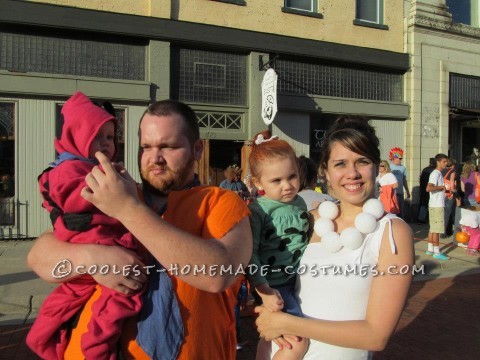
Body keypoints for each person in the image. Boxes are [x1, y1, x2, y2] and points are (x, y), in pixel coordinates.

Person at [27, 99, 253, 359]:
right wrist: (90, 259)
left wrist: (127, 211)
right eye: (146, 147)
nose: (155, 158)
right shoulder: (114, 192)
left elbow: (219, 272)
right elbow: (39, 255)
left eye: (168, 147)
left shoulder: (220, 201)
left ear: (197, 149)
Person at [255, 116, 413, 359]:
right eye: (340, 164)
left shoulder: (392, 232)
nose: (352, 173)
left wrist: (286, 324)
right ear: (325, 171)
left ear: (375, 167)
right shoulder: (308, 220)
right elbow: (266, 264)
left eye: (362, 161)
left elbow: (376, 335)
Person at [26, 92, 145, 359]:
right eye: (97, 136)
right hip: (97, 245)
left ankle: (45, 339)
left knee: (65, 301)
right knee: (121, 299)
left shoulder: (91, 169)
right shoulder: (69, 170)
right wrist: (116, 188)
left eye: (111, 137)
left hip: (96, 248)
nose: (106, 143)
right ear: (77, 134)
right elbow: (73, 200)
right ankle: (96, 351)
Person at [247, 131, 310, 359]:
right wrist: (263, 291)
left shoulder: (300, 202)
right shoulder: (258, 210)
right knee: (296, 343)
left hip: (297, 280)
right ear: (257, 182)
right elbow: (250, 254)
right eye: (276, 180)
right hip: (273, 286)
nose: (287, 186)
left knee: (270, 341)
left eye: (292, 176)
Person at [425, 153, 450, 261]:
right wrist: (441, 187)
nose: (446, 163)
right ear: (438, 162)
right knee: (436, 229)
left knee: (432, 228)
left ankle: (430, 249)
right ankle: (436, 251)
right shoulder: (436, 173)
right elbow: (428, 188)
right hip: (437, 205)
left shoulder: (437, 173)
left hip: (434, 204)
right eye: (444, 161)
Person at [389, 147, 411, 220]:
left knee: (401, 211)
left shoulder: (403, 168)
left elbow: (404, 180)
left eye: (401, 158)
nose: (400, 160)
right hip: (391, 192)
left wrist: (407, 191)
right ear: (393, 158)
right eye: (399, 158)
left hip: (400, 192)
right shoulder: (388, 167)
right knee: (392, 210)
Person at [441, 158, 457, 238]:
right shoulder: (452, 171)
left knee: (442, 213)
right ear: (453, 165)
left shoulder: (441, 170)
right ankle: (445, 232)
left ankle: (444, 230)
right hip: (448, 194)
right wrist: (453, 191)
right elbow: (451, 182)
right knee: (448, 213)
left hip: (441, 194)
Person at [417, 158, 436, 223]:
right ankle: (425, 218)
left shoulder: (425, 169)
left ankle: (420, 218)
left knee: (423, 204)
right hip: (430, 189)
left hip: (423, 188)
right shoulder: (434, 171)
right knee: (428, 204)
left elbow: (420, 179)